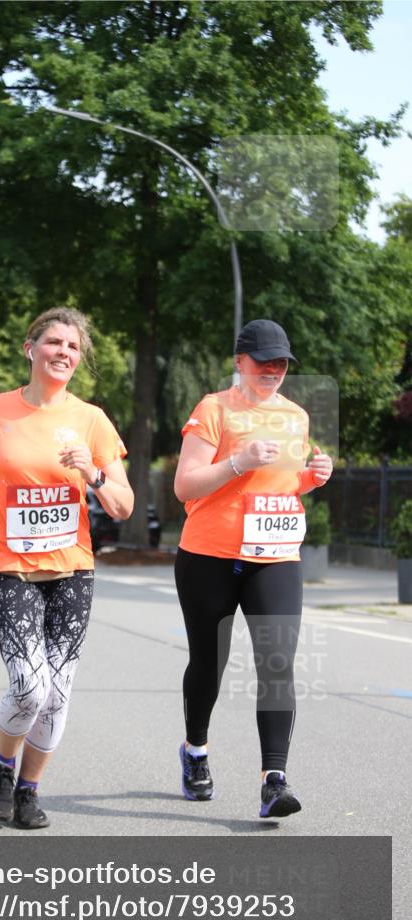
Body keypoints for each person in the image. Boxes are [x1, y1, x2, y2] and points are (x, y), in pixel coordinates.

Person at [0, 307, 134, 830]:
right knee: (29, 687)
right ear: (30, 348)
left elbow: (122, 504)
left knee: (58, 693)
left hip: (72, 569)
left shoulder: (91, 419)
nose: (64, 353)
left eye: (73, 347)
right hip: (9, 565)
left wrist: (94, 473)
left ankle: (29, 789)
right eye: (54, 342)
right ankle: (2, 765)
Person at [174, 319, 333, 818]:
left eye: (281, 362)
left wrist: (310, 478)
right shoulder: (214, 409)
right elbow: (186, 486)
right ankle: (195, 752)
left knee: (279, 662)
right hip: (210, 555)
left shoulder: (295, 417)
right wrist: (237, 461)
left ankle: (274, 780)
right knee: (209, 662)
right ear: (239, 361)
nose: (273, 370)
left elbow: (280, 487)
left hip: (276, 556)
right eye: (263, 360)